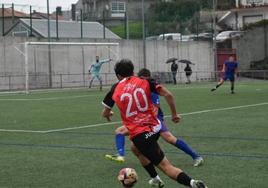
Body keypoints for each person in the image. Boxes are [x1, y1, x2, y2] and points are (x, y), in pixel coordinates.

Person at [102, 59, 207, 188]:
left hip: (141, 134)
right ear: (133, 71)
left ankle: (194, 183)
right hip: (155, 126)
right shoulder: (145, 81)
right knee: (135, 148)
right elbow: (168, 94)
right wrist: (174, 114)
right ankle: (155, 179)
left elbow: (105, 112)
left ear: (118, 75)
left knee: (166, 167)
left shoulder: (115, 88)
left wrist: (108, 114)